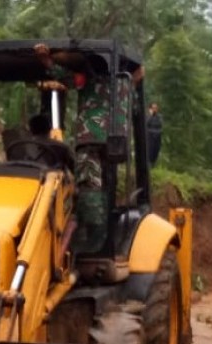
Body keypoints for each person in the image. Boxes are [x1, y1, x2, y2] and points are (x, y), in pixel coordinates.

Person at [34, 43, 143, 252]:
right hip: (116, 142)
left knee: (88, 188)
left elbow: (63, 76)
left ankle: (90, 241)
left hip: (91, 141)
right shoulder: (125, 85)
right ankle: (97, 232)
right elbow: (136, 105)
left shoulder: (86, 80)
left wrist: (46, 61)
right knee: (103, 186)